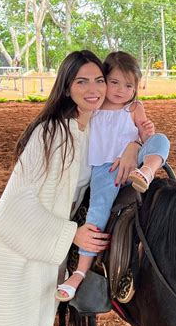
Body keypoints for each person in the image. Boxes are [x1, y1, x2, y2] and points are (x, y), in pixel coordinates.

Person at [0, 50, 140, 326]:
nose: (94, 88)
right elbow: (17, 206)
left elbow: (132, 132)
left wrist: (133, 147)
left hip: (40, 259)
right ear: (67, 88)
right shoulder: (51, 133)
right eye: (82, 81)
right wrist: (72, 234)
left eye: (100, 80)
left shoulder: (89, 129)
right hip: (11, 258)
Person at [56, 51, 170, 301]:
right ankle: (80, 272)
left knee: (162, 140)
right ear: (104, 80)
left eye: (128, 85)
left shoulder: (134, 107)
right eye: (114, 82)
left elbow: (146, 137)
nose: (120, 90)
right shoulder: (93, 108)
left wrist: (144, 136)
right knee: (98, 210)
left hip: (134, 164)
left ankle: (147, 172)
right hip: (105, 170)